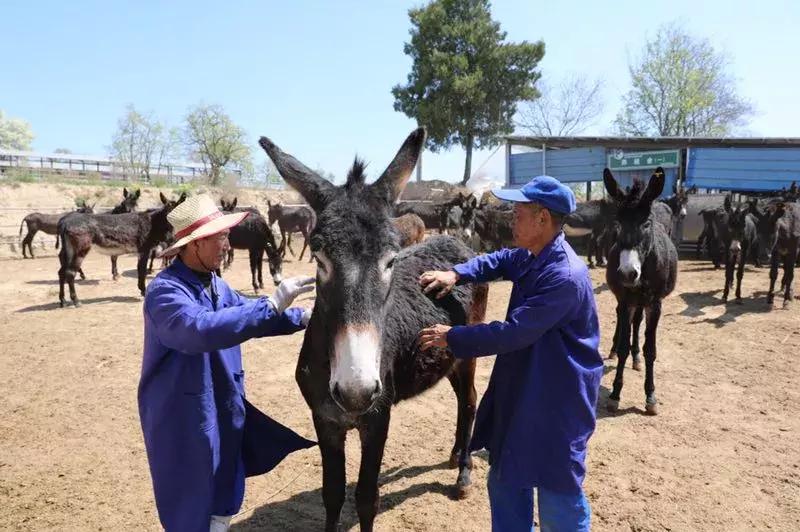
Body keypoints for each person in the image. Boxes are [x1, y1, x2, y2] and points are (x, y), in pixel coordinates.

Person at [418, 176, 603, 532]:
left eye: (518, 213)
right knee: (505, 481)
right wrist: (456, 273)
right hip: (523, 388)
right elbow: (500, 261)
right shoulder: (532, 255)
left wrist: (453, 337)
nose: (510, 220)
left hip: (557, 399)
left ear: (542, 218)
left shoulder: (564, 275)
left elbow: (515, 333)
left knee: (557, 497)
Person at [138, 193, 316, 532]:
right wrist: (271, 304)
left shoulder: (216, 285)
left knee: (223, 482)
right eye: (220, 237)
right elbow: (198, 330)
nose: (227, 244)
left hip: (221, 405)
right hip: (184, 416)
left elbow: (246, 316)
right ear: (195, 244)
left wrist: (304, 317)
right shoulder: (165, 292)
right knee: (189, 492)